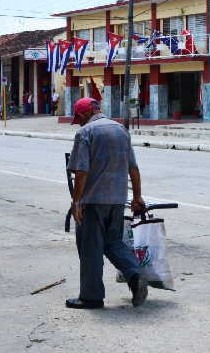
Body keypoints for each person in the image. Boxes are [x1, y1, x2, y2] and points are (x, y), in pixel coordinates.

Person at [66, 97, 147, 310]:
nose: (80, 123)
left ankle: (91, 297)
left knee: (90, 248)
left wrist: (77, 202)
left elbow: (81, 170)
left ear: (84, 114)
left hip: (93, 201)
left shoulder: (86, 132)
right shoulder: (121, 130)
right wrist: (137, 197)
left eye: (79, 118)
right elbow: (134, 168)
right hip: (117, 199)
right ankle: (135, 276)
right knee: (113, 243)